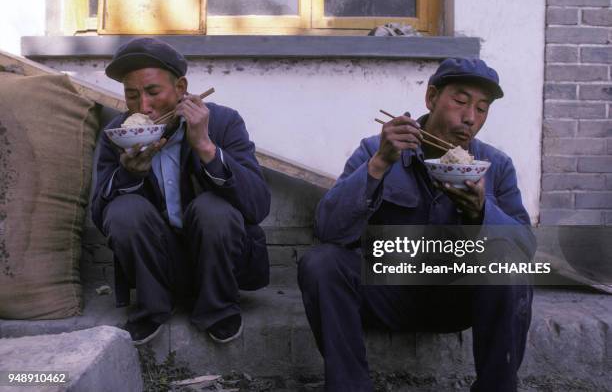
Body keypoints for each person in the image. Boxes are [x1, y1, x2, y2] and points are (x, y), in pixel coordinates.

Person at [298, 58, 536, 391]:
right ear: (432, 97)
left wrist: (481, 213)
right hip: (387, 294)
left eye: (482, 109)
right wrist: (379, 164)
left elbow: (525, 248)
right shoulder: (376, 148)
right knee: (321, 262)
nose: (470, 117)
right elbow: (329, 229)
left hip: (457, 298)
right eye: (461, 100)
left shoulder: (495, 165)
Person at [91, 38, 271, 345]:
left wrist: (205, 146)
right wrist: (128, 174)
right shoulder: (118, 134)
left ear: (181, 87)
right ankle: (152, 309)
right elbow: (100, 214)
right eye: (131, 95)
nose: (143, 107)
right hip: (158, 263)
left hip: (218, 261)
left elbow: (257, 206)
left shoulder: (223, 121)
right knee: (123, 210)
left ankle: (218, 307)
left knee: (213, 208)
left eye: (153, 92)